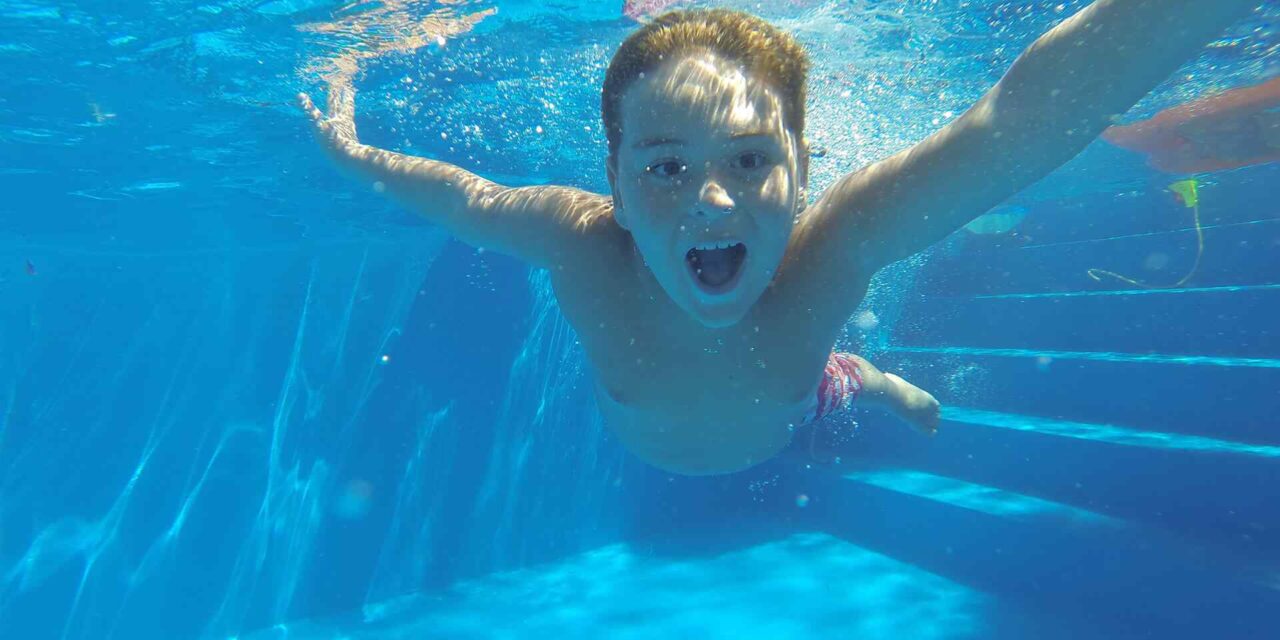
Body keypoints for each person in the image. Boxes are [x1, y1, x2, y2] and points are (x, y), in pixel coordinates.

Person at [300, 1, 1257, 475]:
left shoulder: (832, 248)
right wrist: (348, 150)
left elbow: (1013, 125)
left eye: (752, 159)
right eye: (666, 168)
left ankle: (867, 376)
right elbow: (457, 195)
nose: (713, 202)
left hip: (794, 412)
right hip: (705, 423)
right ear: (616, 187)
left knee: (837, 379)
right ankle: (857, 372)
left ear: (804, 170)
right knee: (824, 367)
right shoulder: (577, 239)